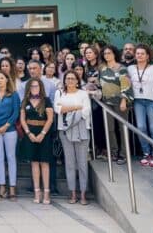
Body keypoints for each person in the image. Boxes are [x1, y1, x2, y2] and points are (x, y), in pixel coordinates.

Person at [55, 71, 92, 205]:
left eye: (73, 78)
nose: (70, 80)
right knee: (70, 163)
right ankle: (73, 193)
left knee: (82, 163)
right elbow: (58, 109)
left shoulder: (83, 94)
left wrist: (68, 110)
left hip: (81, 130)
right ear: (64, 80)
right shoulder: (59, 93)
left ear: (77, 81)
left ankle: (83, 194)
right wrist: (76, 107)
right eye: (68, 78)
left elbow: (86, 111)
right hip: (65, 131)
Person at [128, 44, 153, 167]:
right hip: (138, 101)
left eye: (142, 53)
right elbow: (126, 84)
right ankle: (146, 153)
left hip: (152, 101)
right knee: (141, 127)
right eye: (137, 53)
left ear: (147, 56)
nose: (139, 55)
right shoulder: (130, 69)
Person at [19, 78, 55, 205]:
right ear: (29, 88)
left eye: (37, 86)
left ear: (41, 87)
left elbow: (50, 119)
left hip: (44, 133)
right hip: (30, 134)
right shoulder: (25, 101)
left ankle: (46, 192)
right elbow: (22, 119)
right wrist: (28, 133)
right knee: (34, 163)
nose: (35, 88)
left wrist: (42, 133)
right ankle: (37, 192)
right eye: (32, 86)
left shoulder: (46, 100)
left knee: (44, 163)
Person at [0, 71, 21, 201]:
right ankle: (2, 186)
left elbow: (16, 112)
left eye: (2, 78)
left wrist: (6, 126)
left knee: (11, 157)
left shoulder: (14, 94)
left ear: (7, 79)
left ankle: (12, 187)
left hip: (10, 129)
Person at [98, 45, 133, 164]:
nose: (107, 55)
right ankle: (113, 152)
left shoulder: (122, 68)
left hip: (120, 102)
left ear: (114, 54)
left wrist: (124, 100)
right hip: (106, 103)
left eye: (109, 53)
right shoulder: (102, 69)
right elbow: (100, 84)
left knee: (122, 128)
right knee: (110, 129)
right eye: (105, 53)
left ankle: (123, 154)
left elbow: (126, 86)